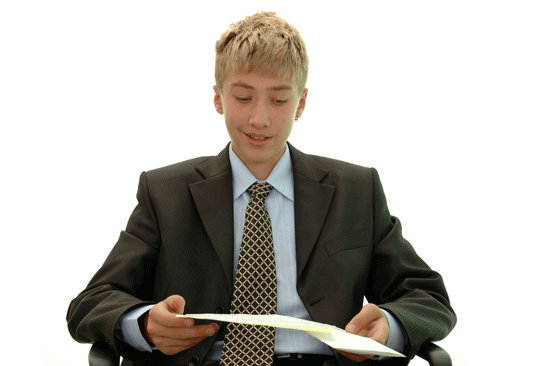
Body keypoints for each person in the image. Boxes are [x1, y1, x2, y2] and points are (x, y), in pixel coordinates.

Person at [67, 11, 456, 366]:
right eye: (242, 97)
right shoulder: (165, 192)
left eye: (279, 99)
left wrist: (389, 323)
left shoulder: (356, 190)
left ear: (301, 103)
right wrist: (143, 324)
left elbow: (429, 300)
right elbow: (92, 303)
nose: (260, 118)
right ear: (218, 98)